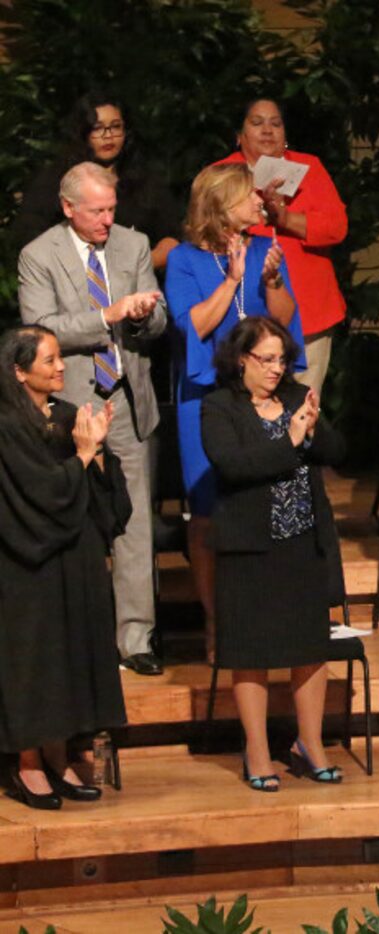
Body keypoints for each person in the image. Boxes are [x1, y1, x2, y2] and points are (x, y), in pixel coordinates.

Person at [17, 162, 169, 676]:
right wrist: (108, 315)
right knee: (76, 521)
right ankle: (75, 639)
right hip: (70, 404)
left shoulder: (133, 244)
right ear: (68, 208)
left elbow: (157, 320)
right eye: (98, 211)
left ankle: (136, 638)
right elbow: (41, 329)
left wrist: (146, 313)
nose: (108, 220)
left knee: (134, 521)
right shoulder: (39, 255)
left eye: (111, 208)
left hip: (125, 398)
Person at [201, 317, 347, 792]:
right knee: (252, 651)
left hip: (303, 541)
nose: (276, 368)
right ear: (242, 358)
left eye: (282, 359)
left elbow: (336, 450)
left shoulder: (294, 396)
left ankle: (310, 743)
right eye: (266, 359)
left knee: (310, 648)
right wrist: (289, 441)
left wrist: (313, 424)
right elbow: (234, 465)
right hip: (249, 546)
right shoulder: (219, 407)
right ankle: (258, 751)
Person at [165, 163, 304, 643]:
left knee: (265, 501)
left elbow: (285, 322)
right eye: (250, 197)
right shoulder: (184, 260)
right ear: (223, 205)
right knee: (206, 512)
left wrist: (271, 282)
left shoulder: (267, 247)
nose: (260, 204)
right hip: (205, 398)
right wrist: (232, 279)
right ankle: (214, 620)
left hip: (259, 397)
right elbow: (194, 326)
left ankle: (261, 616)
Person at [0, 326, 129, 810]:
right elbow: (41, 493)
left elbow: (105, 497)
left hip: (76, 561)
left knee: (70, 660)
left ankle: (59, 759)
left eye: (59, 358)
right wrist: (81, 455)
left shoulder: (71, 417)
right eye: (50, 360)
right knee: (36, 665)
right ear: (18, 371)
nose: (62, 367)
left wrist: (96, 452)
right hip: (26, 566)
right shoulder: (6, 426)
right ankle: (28, 765)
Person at [214, 98, 348, 392]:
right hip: (245, 314)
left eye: (276, 123)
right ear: (239, 134)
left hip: (309, 312)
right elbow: (205, 232)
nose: (267, 130)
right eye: (257, 122)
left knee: (302, 409)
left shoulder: (309, 167)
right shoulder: (221, 174)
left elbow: (336, 228)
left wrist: (285, 217)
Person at [11, 92, 181, 269]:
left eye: (115, 127)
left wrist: (134, 269)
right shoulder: (53, 182)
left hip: (137, 283)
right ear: (82, 133)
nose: (108, 136)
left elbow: (171, 239)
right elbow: (30, 239)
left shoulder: (147, 182)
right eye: (98, 128)